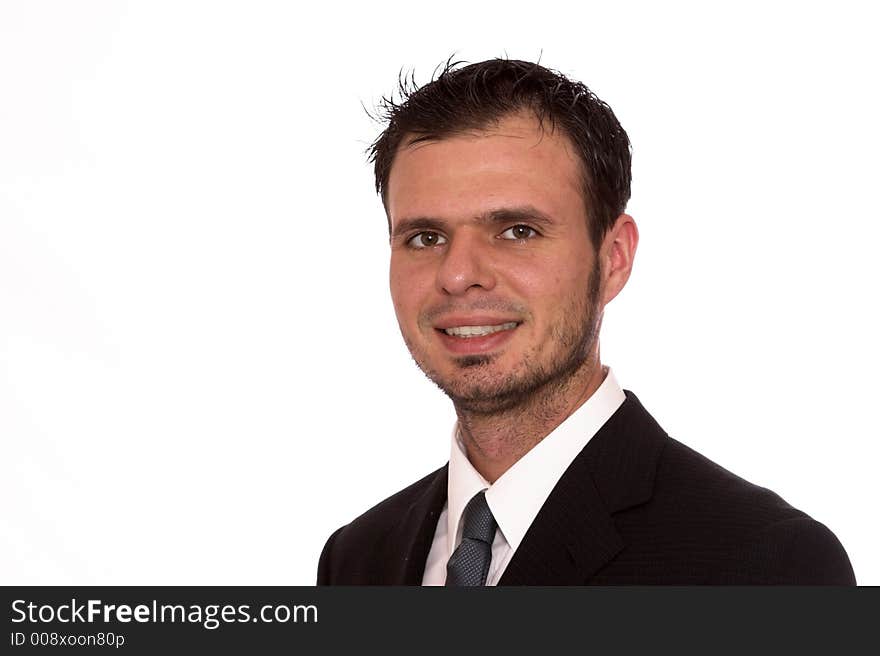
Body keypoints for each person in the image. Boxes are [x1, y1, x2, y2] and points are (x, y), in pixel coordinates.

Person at [317, 58, 855, 585]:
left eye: (517, 231)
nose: (458, 275)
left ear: (614, 257)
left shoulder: (767, 565)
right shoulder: (357, 560)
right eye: (425, 238)